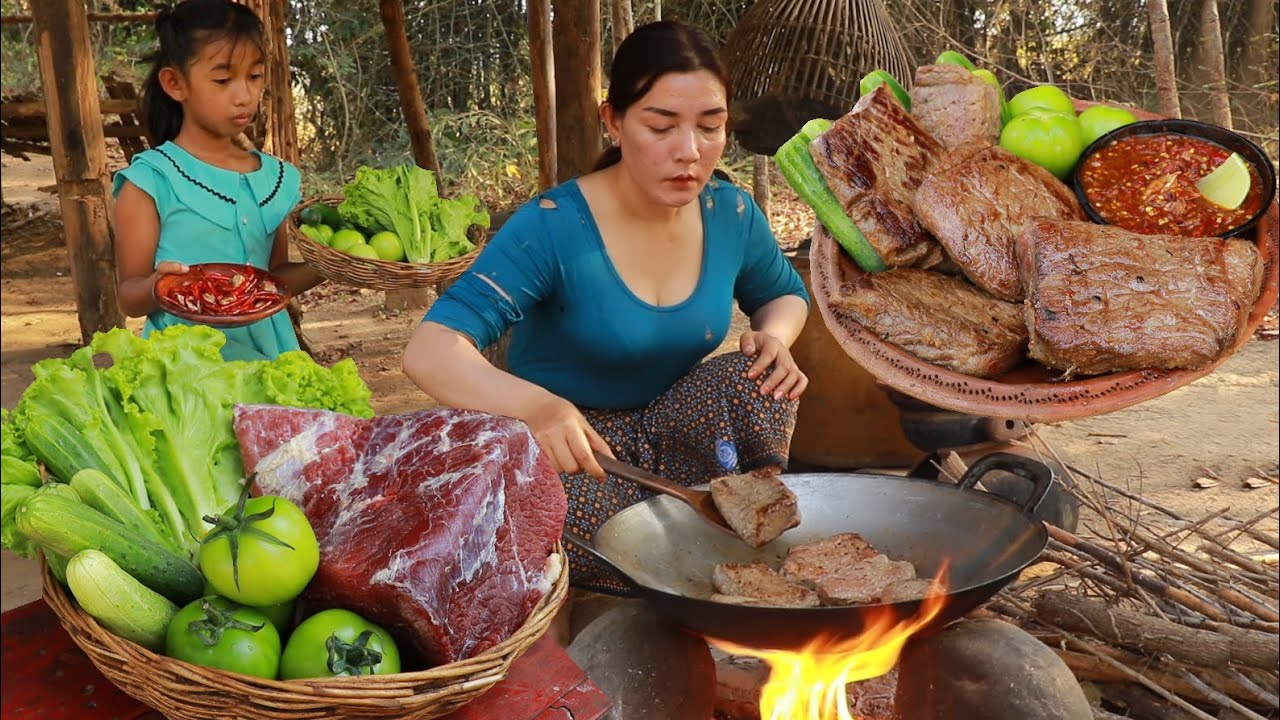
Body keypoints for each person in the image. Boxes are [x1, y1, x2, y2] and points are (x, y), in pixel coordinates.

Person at [402, 20, 811, 591]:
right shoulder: (554, 227)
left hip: (676, 436)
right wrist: (538, 408)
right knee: (581, 526)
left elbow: (784, 295)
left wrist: (776, 338)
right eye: (661, 126)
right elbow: (430, 351)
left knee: (754, 377)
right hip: (575, 452)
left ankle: (709, 522)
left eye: (710, 127)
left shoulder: (731, 213)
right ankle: (660, 554)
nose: (689, 152)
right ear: (614, 121)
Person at [112, 0, 321, 361]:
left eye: (254, 76)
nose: (244, 95)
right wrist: (159, 284)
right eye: (223, 80)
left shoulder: (275, 178)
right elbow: (130, 296)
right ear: (176, 83)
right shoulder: (152, 179)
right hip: (184, 365)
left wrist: (329, 267)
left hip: (270, 358)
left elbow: (274, 278)